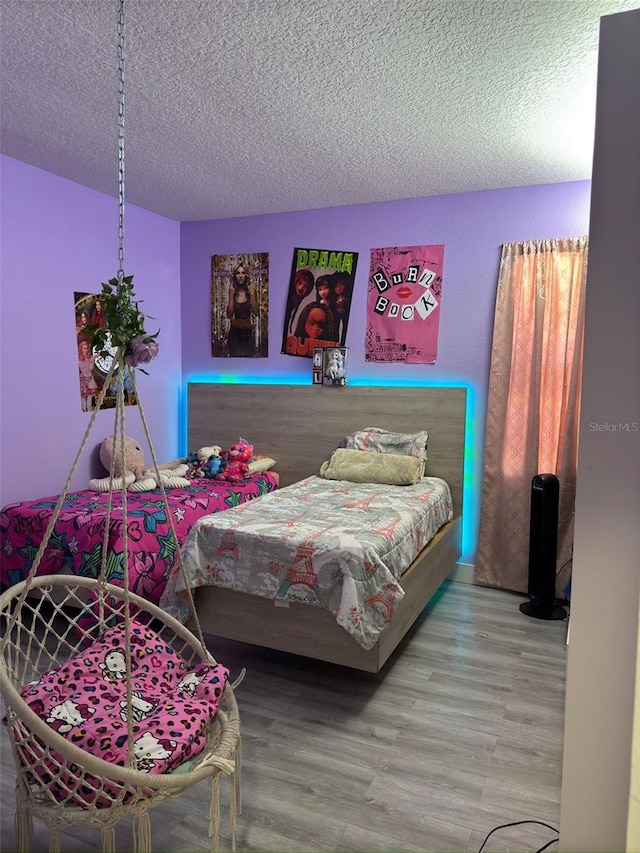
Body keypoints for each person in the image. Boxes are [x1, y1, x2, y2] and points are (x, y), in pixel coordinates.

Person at [226, 263, 258, 357]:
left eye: (243, 273)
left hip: (247, 333)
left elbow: (256, 312)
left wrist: (252, 294)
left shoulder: (251, 290)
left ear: (246, 275)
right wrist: (231, 296)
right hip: (234, 333)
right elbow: (229, 315)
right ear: (235, 276)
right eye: (238, 273)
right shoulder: (232, 291)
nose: (240, 276)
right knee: (235, 364)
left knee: (248, 363)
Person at [285, 268, 315, 338]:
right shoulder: (289, 294)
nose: (301, 288)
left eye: (305, 287)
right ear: (296, 280)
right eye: (300, 283)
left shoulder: (300, 300)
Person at [331, 272, 353, 345]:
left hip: (347, 314)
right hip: (334, 313)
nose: (339, 288)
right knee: (333, 329)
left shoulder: (349, 293)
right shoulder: (331, 295)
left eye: (341, 284)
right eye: (336, 286)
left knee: (347, 330)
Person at [78, 339, 98, 412]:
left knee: (89, 397)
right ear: (81, 349)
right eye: (84, 348)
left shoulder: (90, 358)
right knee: (83, 397)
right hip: (82, 379)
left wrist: (93, 360)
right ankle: (83, 411)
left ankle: (89, 411)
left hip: (90, 378)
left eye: (87, 348)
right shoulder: (78, 359)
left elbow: (91, 368)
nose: (86, 350)